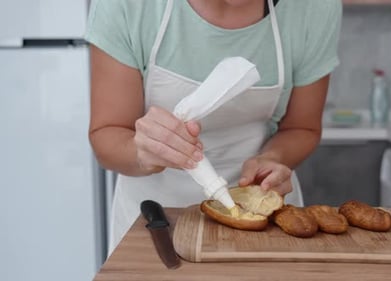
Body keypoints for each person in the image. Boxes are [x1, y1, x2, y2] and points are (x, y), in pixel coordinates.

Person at [85, 0, 342, 251]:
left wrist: (273, 158)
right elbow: (107, 133)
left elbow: (302, 128)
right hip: (154, 221)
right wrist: (142, 154)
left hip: (266, 226)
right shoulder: (128, 6)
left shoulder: (314, 8)